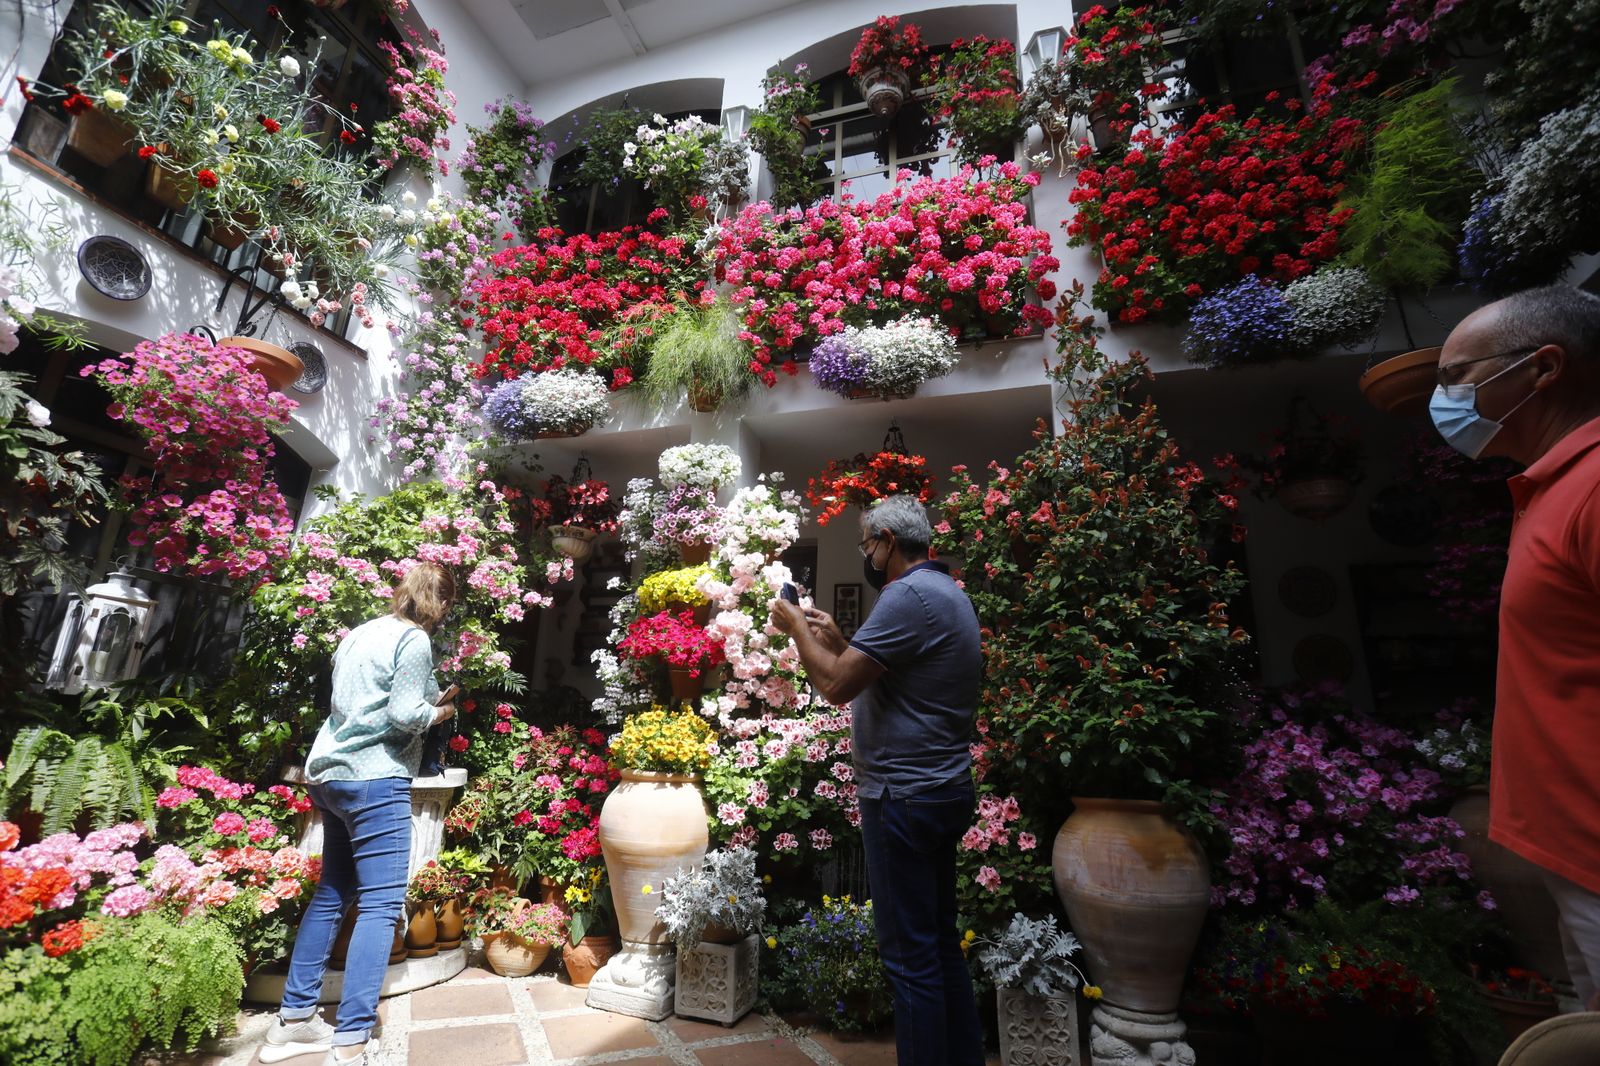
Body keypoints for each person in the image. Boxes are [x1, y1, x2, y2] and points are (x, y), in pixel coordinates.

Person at [770, 495, 984, 1066]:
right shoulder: (946, 593)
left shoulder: (906, 595)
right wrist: (839, 642)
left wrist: (796, 627)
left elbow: (836, 686)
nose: (866, 554)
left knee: (910, 959)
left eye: (867, 544)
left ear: (888, 541)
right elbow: (885, 678)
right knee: (939, 944)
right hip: (940, 789)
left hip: (903, 794)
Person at [1433, 285, 1600, 1010]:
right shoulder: (1555, 488)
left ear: (1543, 368)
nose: (1443, 399)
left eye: (1456, 377)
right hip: (1579, 856)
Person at [260, 563, 458, 1065]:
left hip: (330, 775)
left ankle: (292, 1023)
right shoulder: (414, 640)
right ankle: (351, 1043)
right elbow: (404, 714)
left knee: (332, 893)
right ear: (441, 604)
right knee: (381, 906)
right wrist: (440, 712)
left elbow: (357, 702)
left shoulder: (361, 633)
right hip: (375, 779)